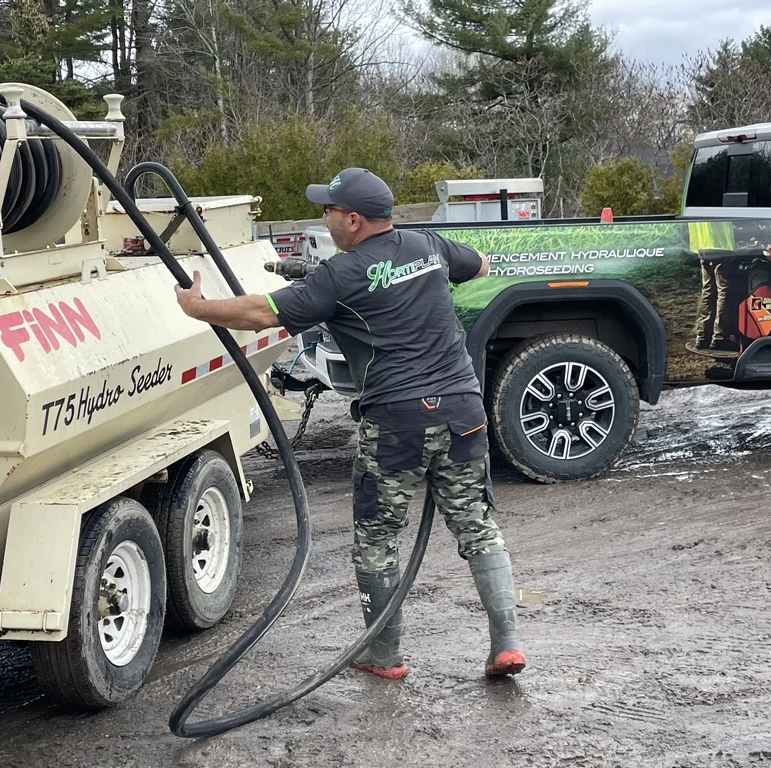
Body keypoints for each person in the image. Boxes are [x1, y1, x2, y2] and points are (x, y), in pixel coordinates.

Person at [174, 167, 525, 681]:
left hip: (398, 421)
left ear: (354, 220)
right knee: (476, 524)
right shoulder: (427, 244)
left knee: (378, 537)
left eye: (329, 210)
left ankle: (385, 656)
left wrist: (197, 307)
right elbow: (479, 265)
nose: (324, 217)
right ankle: (506, 645)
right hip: (463, 410)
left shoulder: (340, 276)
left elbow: (260, 315)